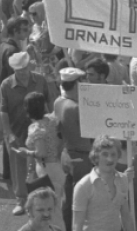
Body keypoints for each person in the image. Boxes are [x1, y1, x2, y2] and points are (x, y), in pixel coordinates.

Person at [0, 51, 52, 215]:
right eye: (17, 70)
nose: (21, 72)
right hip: (17, 132)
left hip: (39, 133)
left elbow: (49, 103)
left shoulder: (41, 80)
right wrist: (8, 133)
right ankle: (21, 201)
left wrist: (50, 126)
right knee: (18, 168)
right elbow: (3, 111)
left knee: (40, 167)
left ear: (29, 65)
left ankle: (40, 201)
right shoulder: (6, 85)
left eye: (23, 68)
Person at [53, 67, 91, 231]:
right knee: (82, 200)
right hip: (82, 156)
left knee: (68, 198)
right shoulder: (76, 108)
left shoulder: (58, 102)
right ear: (76, 84)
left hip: (67, 153)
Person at [72, 135, 134, 231]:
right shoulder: (83, 186)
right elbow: (77, 225)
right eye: (105, 154)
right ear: (96, 157)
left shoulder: (123, 180)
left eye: (113, 154)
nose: (110, 159)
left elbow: (126, 216)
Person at [19, 92, 64, 218]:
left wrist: (26, 152)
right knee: (58, 203)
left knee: (50, 207)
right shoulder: (52, 120)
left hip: (46, 169)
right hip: (59, 164)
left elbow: (41, 153)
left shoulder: (35, 128)